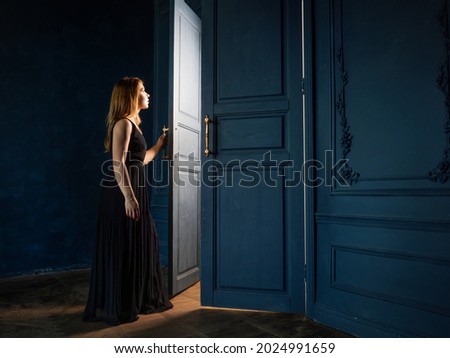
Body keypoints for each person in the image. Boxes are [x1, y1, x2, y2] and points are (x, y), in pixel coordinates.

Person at [83, 77, 173, 325]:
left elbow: (140, 160)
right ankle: (121, 304)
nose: (148, 94)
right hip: (122, 194)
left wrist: (158, 146)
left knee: (139, 241)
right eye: (143, 90)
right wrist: (129, 198)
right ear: (131, 97)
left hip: (132, 192)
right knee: (125, 244)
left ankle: (134, 298)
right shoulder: (123, 124)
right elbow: (117, 163)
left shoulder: (135, 125)